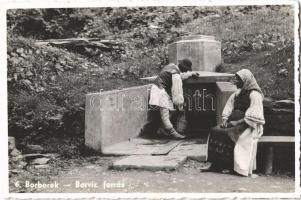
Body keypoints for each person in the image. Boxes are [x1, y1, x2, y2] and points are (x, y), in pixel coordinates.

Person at [208, 69, 265, 176]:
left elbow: (255, 116)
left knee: (229, 134)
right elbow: (229, 106)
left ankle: (232, 167)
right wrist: (225, 119)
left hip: (248, 125)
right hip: (233, 122)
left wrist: (237, 122)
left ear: (246, 81)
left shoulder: (255, 95)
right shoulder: (238, 93)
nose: (236, 82)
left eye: (238, 80)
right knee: (215, 131)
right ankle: (217, 165)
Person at [140, 58, 198, 139]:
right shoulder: (176, 75)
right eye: (186, 70)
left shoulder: (171, 66)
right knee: (165, 115)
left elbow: (180, 75)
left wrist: (191, 74)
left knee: (169, 111)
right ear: (183, 68)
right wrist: (179, 104)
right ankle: (173, 133)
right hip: (160, 92)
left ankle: (162, 130)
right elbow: (177, 92)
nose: (186, 72)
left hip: (157, 88)